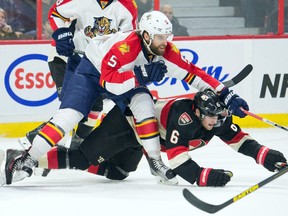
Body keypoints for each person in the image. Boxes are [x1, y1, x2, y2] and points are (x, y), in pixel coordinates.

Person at [1, 11, 249, 186]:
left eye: (167, 37)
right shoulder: (125, 47)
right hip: (92, 73)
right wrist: (140, 74)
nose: (166, 43)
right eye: (160, 38)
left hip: (125, 78)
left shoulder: (167, 51)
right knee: (69, 117)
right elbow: (109, 82)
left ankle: (155, 161)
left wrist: (226, 94)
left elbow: (193, 74)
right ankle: (28, 159)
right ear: (146, 35)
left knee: (144, 105)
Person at [3, 89, 286, 187]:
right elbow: (178, 160)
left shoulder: (216, 117)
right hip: (127, 124)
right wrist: (206, 177)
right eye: (211, 118)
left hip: (145, 138)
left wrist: (266, 156)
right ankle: (28, 157)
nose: (217, 123)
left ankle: (79, 152)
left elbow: (241, 141)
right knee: (80, 157)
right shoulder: (182, 117)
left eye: (219, 118)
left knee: (119, 172)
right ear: (198, 111)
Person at [19, 0, 138, 153]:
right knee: (74, 107)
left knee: (93, 106)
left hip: (96, 63)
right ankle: (33, 141)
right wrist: (62, 35)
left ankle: (77, 143)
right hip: (67, 59)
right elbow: (55, 13)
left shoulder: (127, 5)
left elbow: (127, 38)